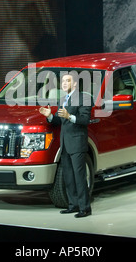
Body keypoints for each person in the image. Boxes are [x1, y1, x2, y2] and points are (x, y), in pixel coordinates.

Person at [39, 73, 92, 218]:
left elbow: (85, 119)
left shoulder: (84, 98)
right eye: (63, 81)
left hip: (77, 142)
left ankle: (85, 208)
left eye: (67, 81)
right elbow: (59, 121)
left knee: (79, 177)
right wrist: (50, 116)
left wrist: (70, 116)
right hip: (65, 143)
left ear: (75, 83)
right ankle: (73, 205)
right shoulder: (63, 99)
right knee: (68, 176)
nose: (64, 83)